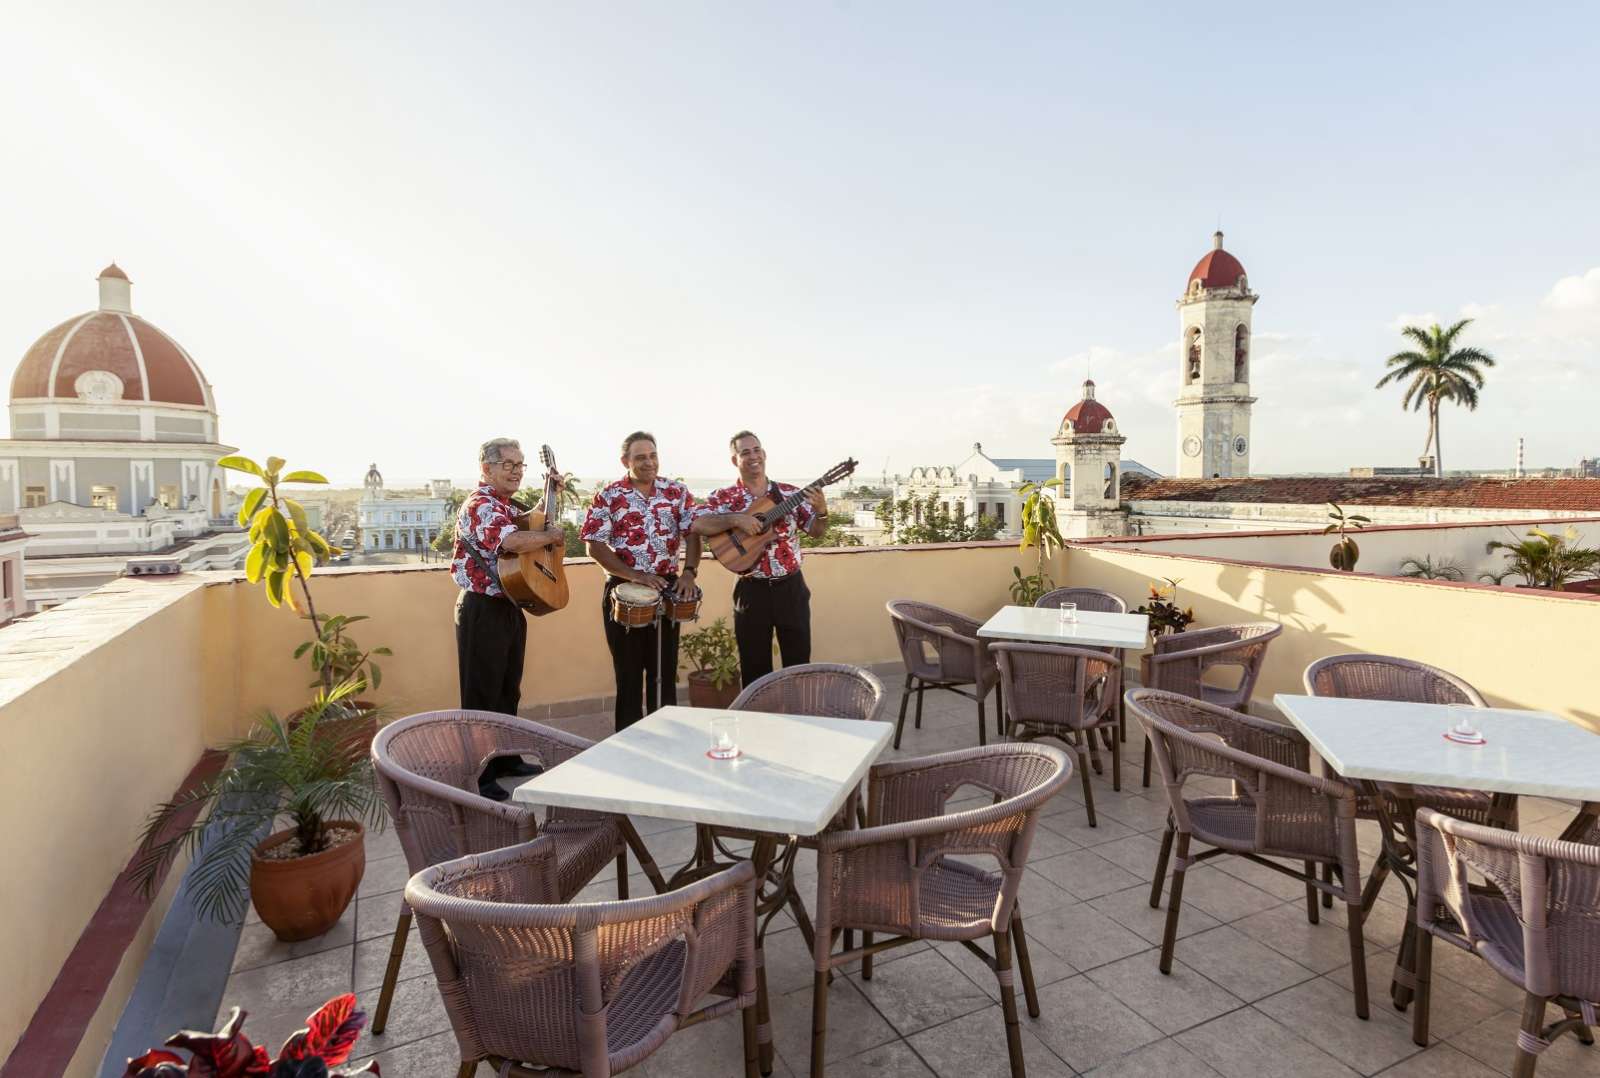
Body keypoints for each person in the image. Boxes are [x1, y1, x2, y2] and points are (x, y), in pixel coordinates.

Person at [451, 437, 566, 800]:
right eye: (508, 465)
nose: (516, 471)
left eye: (520, 465)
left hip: (508, 604)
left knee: (507, 690)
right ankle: (479, 774)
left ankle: (506, 759)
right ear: (486, 468)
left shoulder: (502, 504)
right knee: (481, 694)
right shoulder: (480, 504)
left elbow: (528, 521)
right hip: (482, 609)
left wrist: (551, 491)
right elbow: (512, 542)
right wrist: (549, 536)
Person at [581, 431, 702, 730]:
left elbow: (694, 533)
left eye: (653, 455)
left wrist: (689, 572)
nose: (649, 462)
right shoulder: (609, 495)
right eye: (640, 457)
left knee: (664, 670)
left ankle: (668, 737)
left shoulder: (677, 492)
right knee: (629, 673)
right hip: (624, 587)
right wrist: (636, 575)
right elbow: (593, 545)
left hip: (665, 586)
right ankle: (629, 745)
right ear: (626, 461)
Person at [693, 430, 826, 687]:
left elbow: (817, 531)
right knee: (754, 669)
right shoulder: (725, 498)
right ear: (735, 460)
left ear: (764, 454)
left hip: (791, 588)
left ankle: (798, 723)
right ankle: (759, 724)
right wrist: (736, 518)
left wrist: (821, 512)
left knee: (798, 665)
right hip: (751, 591)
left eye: (757, 450)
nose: (753, 456)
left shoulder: (789, 494)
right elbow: (699, 524)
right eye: (745, 452)